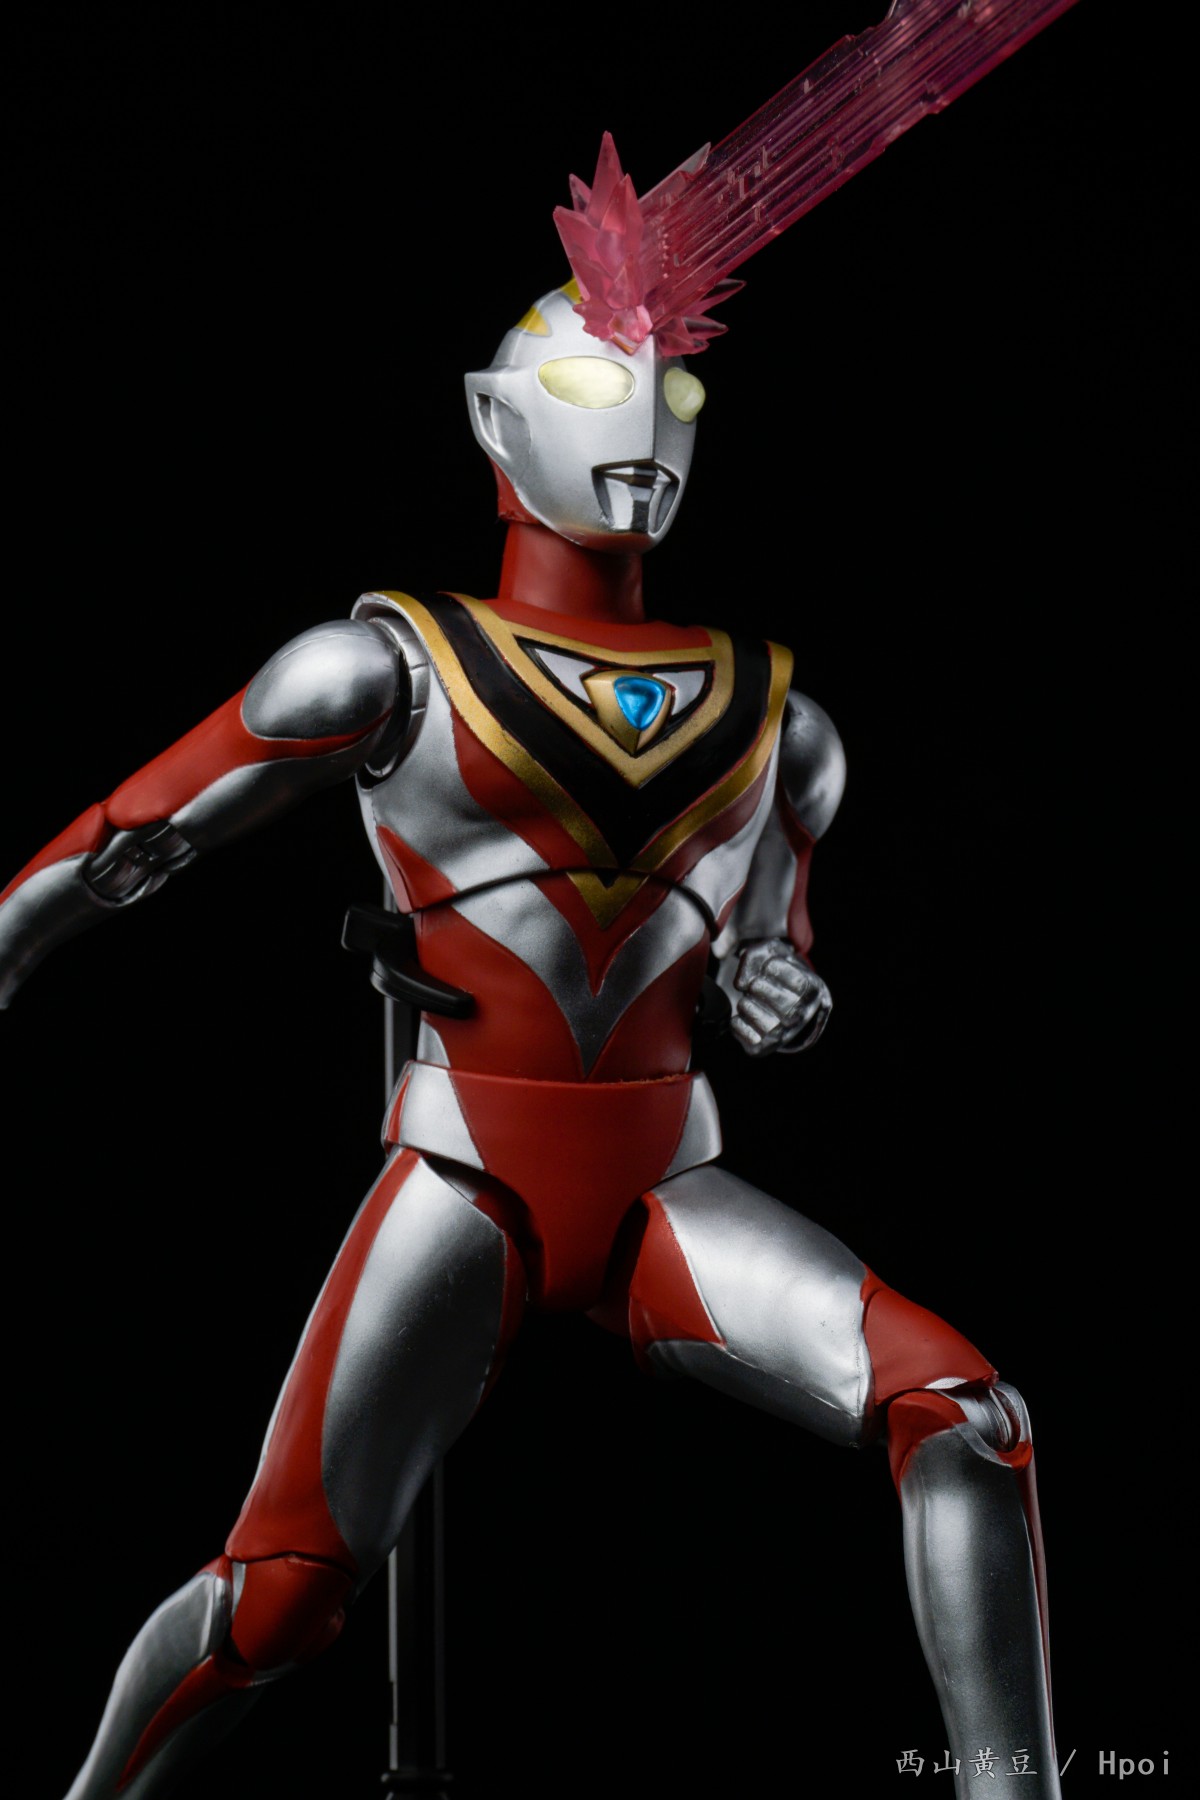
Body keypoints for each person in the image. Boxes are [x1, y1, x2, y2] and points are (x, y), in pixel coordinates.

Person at [0, 263, 1060, 1799]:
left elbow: (766, 953)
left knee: (966, 1418)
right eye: (587, 387)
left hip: (661, 1190)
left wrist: (775, 990)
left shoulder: (777, 721)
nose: (643, 425)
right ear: (495, 420)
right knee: (279, 1601)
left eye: (678, 392)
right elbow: (126, 843)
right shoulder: (387, 668)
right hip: (466, 1180)